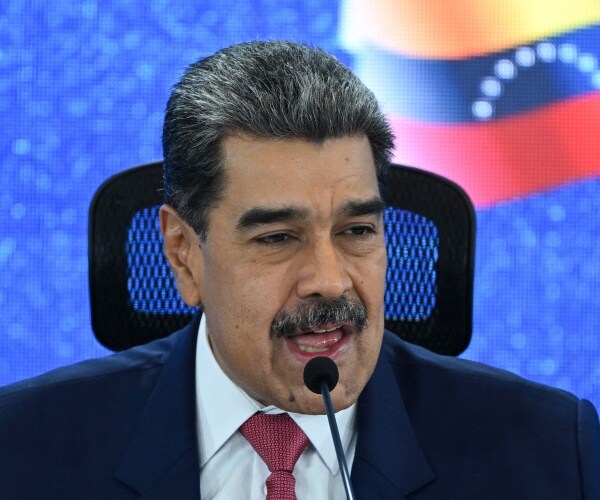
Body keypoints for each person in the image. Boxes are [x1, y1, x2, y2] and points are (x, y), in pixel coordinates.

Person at [0, 41, 598, 499]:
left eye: (357, 231)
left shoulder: (550, 454)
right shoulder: (21, 449)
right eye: (278, 238)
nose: (331, 281)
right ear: (183, 253)